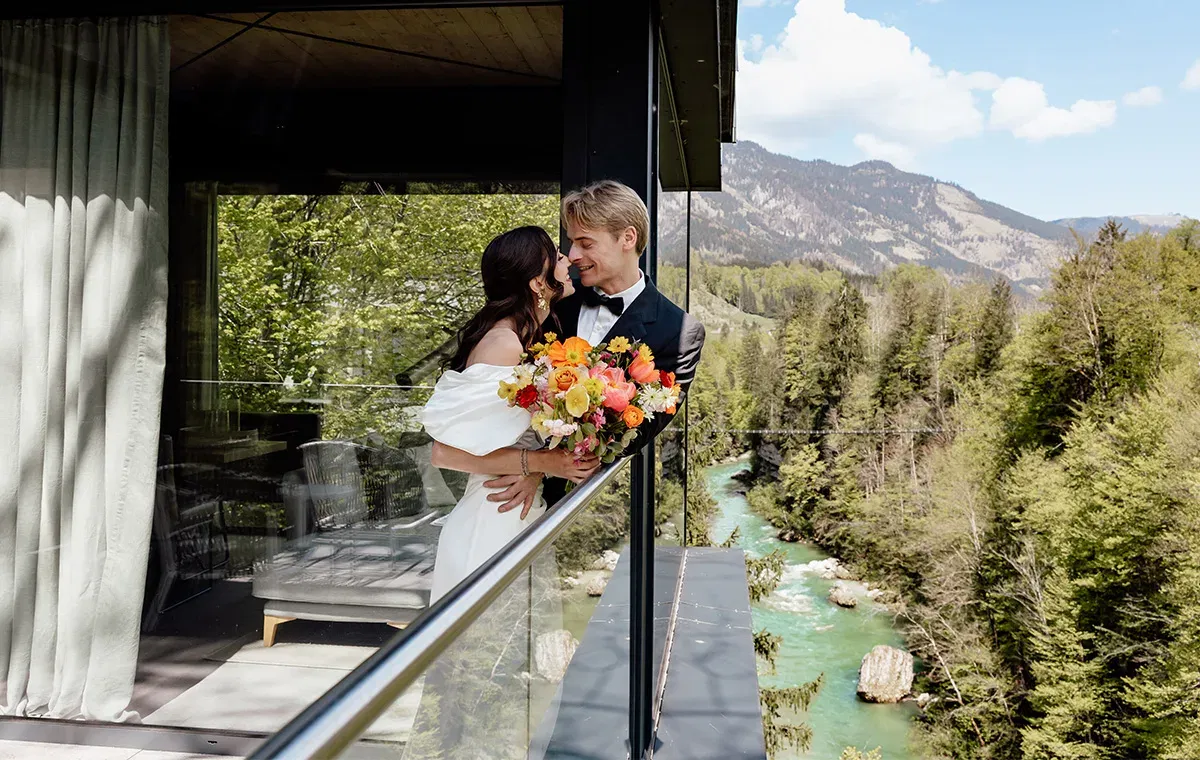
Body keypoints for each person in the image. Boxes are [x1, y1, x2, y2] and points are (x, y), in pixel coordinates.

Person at [403, 225, 593, 760]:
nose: (567, 262)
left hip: (511, 514)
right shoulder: (504, 342)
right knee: (477, 670)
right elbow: (443, 452)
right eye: (557, 257)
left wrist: (545, 462)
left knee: (504, 668)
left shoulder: (527, 336)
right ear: (537, 282)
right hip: (487, 520)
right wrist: (544, 460)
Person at [486, 180, 706, 510]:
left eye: (585, 243)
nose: (573, 256)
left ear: (627, 239)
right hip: (497, 469)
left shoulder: (680, 333)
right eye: (572, 243)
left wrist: (537, 468)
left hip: (588, 504)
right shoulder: (554, 296)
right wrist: (524, 461)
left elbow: (635, 431)